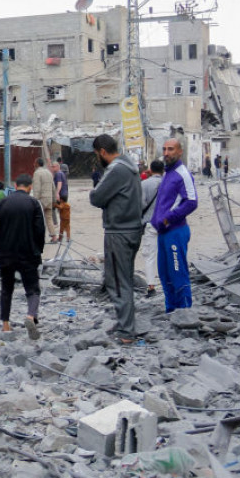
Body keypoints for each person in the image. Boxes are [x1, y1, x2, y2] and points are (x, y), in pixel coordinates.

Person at [88, 134, 144, 343]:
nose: (97, 159)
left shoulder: (116, 169)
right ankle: (125, 325)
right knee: (124, 279)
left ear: (102, 151)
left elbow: (96, 197)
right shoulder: (129, 165)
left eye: (96, 155)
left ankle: (126, 332)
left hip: (119, 232)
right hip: (131, 229)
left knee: (118, 282)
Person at [0, 173, 46, 339]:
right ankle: (31, 315)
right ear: (30, 187)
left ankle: (6, 325)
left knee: (6, 289)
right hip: (28, 254)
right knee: (32, 289)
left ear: (15, 185)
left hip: (6, 254)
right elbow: (40, 231)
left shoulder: (3, 203)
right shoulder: (33, 203)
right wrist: (38, 251)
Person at [151, 139, 198, 313]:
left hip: (175, 231)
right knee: (165, 274)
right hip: (163, 233)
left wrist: (168, 219)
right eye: (164, 149)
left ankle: (185, 312)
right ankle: (171, 311)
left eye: (170, 149)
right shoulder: (167, 173)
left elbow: (191, 202)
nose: (166, 152)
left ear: (179, 152)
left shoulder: (182, 173)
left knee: (178, 273)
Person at [139, 159, 165, 295]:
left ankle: (151, 287)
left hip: (150, 223)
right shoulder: (167, 183)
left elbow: (141, 204)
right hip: (167, 223)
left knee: (150, 256)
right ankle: (169, 284)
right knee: (166, 254)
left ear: (150, 169)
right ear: (163, 170)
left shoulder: (144, 184)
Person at [31, 158, 59, 242]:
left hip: (41, 200)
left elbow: (37, 188)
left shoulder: (37, 173)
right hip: (49, 199)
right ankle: (54, 237)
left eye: (34, 163)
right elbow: (53, 187)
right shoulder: (49, 173)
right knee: (49, 218)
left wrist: (35, 201)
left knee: (37, 219)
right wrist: (54, 200)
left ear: (37, 164)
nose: (33, 164)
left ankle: (38, 237)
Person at [51, 161, 71, 242]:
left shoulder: (58, 173)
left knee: (59, 213)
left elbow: (59, 184)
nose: (52, 168)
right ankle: (66, 236)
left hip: (61, 195)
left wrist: (57, 193)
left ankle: (56, 226)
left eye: (53, 166)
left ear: (57, 166)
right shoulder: (61, 173)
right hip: (64, 194)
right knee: (64, 216)